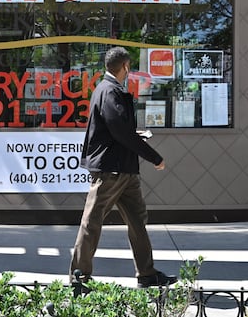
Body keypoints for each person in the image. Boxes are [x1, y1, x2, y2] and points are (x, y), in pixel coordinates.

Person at [69, 46, 177, 288]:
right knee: (91, 222)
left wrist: (134, 136)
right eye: (130, 67)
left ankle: (147, 274)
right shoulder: (110, 91)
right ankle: (79, 279)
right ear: (126, 67)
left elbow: (118, 130)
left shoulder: (109, 90)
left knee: (137, 220)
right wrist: (154, 157)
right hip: (112, 170)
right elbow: (120, 132)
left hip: (124, 170)